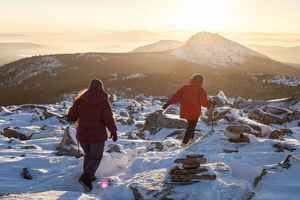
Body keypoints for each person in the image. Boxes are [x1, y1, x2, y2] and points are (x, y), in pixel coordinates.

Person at [67, 79, 118, 192]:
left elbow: (71, 117)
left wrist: (74, 110)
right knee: (96, 157)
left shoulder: (80, 100)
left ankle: (89, 175)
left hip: (83, 134)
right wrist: (113, 132)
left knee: (89, 155)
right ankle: (86, 178)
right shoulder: (103, 101)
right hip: (97, 135)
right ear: (101, 88)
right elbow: (108, 119)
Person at [162, 74, 212, 146]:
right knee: (191, 127)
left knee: (191, 126)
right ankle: (184, 143)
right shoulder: (201, 90)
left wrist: (168, 103)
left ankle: (191, 140)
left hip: (185, 111)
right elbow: (203, 103)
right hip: (194, 112)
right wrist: (210, 103)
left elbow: (176, 97)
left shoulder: (185, 88)